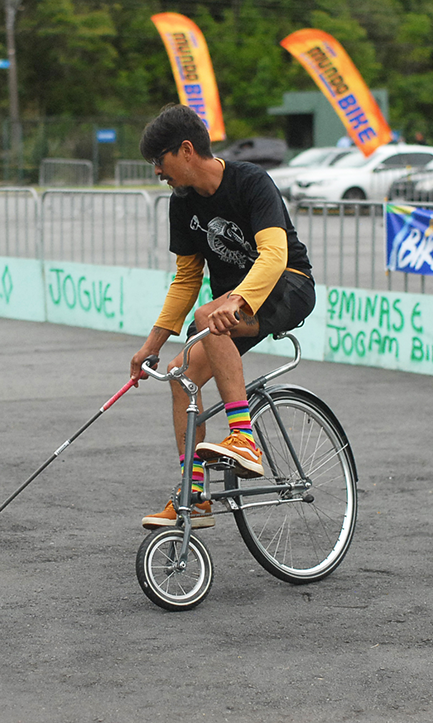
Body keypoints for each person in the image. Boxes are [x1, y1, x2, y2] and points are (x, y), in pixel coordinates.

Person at [129, 104, 316, 530]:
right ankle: (194, 497)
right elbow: (185, 280)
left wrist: (236, 301)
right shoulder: (182, 204)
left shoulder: (251, 181)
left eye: (159, 161)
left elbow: (274, 254)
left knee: (208, 316)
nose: (157, 172)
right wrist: (151, 346)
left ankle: (244, 440)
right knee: (180, 378)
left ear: (187, 150)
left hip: (289, 286)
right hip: (232, 306)